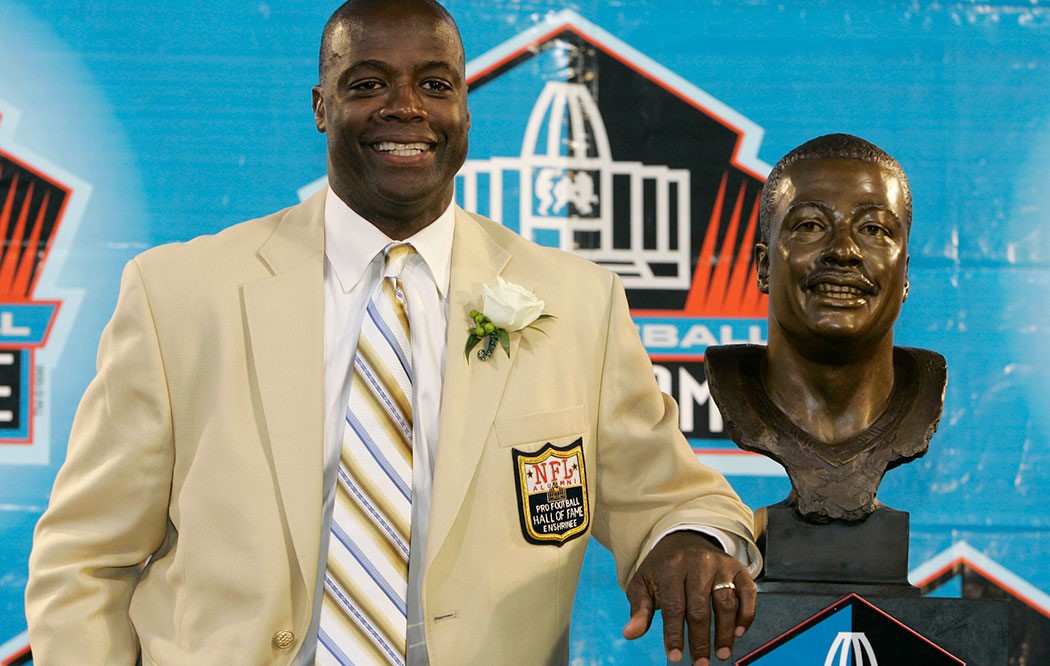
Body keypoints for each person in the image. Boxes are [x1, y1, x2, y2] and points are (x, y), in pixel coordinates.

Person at [26, 1, 760, 664]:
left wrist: (688, 539)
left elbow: (674, 495)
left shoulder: (576, 302)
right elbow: (84, 561)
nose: (405, 108)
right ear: (321, 105)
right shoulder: (180, 295)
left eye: (435, 85)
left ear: (467, 109)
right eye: (368, 83)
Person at [705, 133, 947, 524]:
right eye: (811, 225)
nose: (844, 250)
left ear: (904, 274)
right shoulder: (734, 383)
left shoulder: (922, 393)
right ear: (764, 266)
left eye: (873, 229)